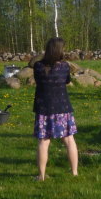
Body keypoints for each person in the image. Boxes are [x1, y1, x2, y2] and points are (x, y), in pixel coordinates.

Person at [33, 37, 78, 181]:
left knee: (43, 142)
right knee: (69, 140)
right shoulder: (65, 66)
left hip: (44, 109)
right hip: (62, 108)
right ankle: (74, 172)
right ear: (59, 51)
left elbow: (38, 80)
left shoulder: (38, 66)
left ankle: (41, 176)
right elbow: (67, 81)